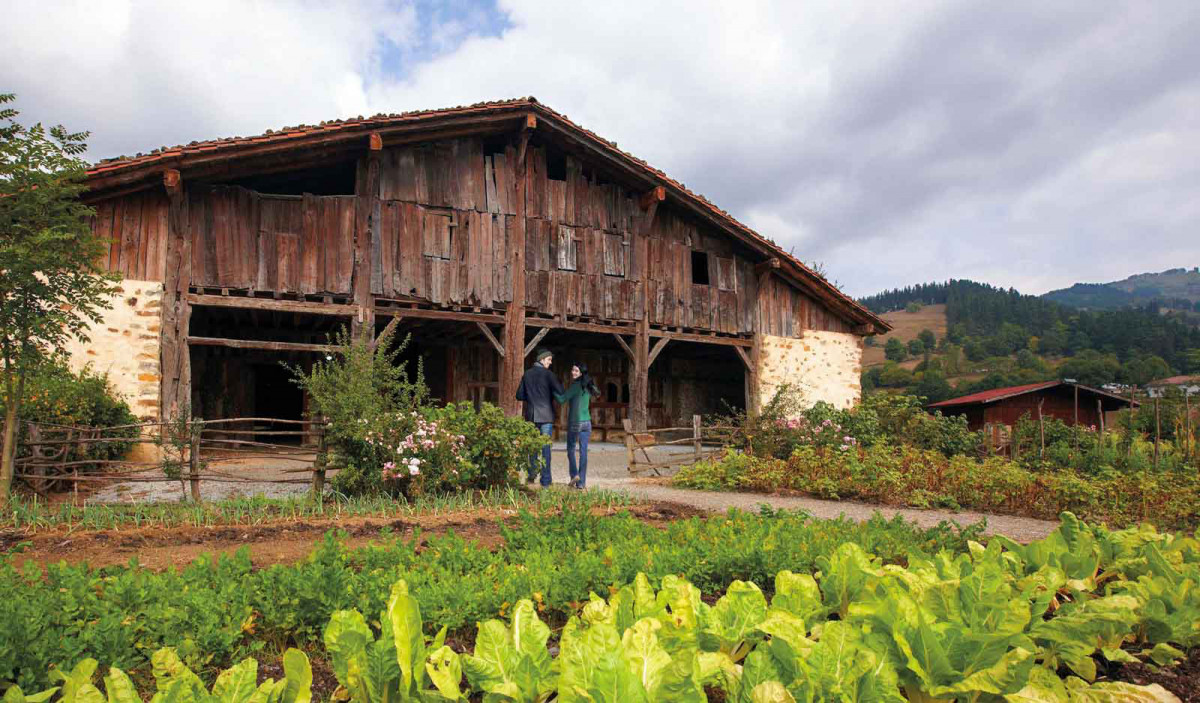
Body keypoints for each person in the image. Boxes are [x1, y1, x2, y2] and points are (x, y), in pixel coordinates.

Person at [515, 348, 563, 487]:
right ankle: (546, 481)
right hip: (546, 416)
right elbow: (560, 391)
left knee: (533, 448)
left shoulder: (527, 374)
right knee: (545, 448)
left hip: (531, 415)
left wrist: (531, 396)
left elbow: (519, 395)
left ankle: (531, 475)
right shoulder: (549, 375)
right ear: (542, 360)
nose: (550, 363)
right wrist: (549, 393)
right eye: (549, 360)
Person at [556, 362, 600, 489]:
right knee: (583, 452)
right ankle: (581, 483)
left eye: (576, 371)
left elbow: (561, 399)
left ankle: (574, 474)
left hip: (575, 422)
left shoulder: (576, 386)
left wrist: (552, 390)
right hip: (587, 423)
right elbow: (597, 392)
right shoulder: (588, 385)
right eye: (572, 370)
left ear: (581, 373)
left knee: (570, 449)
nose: (573, 372)